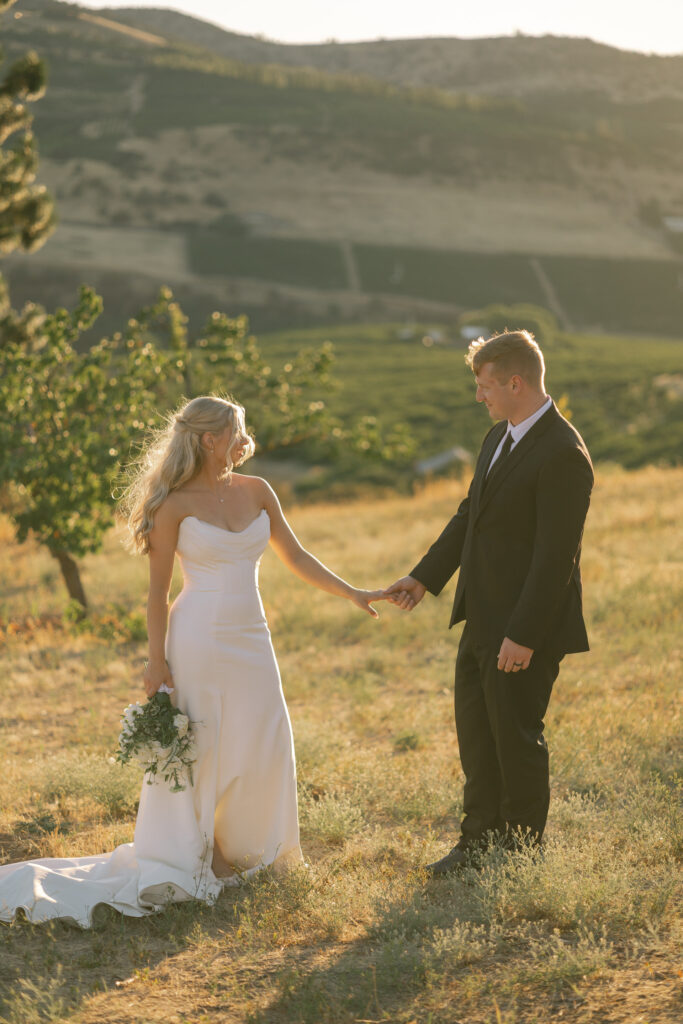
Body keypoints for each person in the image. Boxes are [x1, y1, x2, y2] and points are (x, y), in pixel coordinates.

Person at [0, 395, 385, 927]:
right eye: (235, 429)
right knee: (200, 744)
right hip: (196, 638)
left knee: (265, 737)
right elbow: (156, 595)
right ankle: (201, 853)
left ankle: (254, 849)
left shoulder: (258, 491)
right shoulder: (172, 504)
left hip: (252, 638)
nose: (243, 437)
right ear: (209, 438)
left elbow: (295, 556)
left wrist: (353, 592)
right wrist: (155, 664)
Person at [385, 331, 594, 875]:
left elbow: (556, 558)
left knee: (516, 737)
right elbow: (468, 514)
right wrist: (424, 578)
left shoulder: (564, 453)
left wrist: (523, 635)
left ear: (515, 382)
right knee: (478, 737)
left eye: (485, 386)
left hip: (526, 626)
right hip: (479, 616)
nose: (480, 396)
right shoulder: (497, 438)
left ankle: (520, 855)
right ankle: (476, 843)